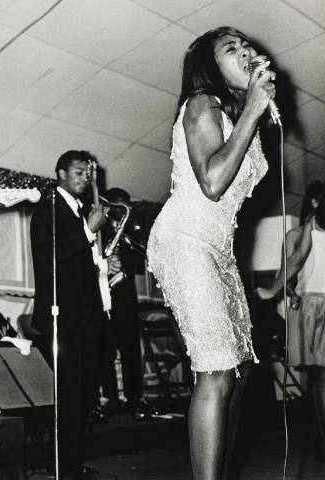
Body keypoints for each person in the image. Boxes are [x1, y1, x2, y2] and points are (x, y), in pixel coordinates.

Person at [146, 26, 276, 479]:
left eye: (246, 45)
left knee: (242, 374)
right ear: (209, 66)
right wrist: (254, 111)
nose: (245, 52)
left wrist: (255, 111)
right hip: (185, 239)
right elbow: (213, 182)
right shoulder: (202, 104)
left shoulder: (241, 114)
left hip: (218, 247)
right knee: (217, 370)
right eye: (231, 48)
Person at [30, 150, 108, 479]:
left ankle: (71, 465)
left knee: (82, 398)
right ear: (61, 173)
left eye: (88, 173)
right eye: (79, 172)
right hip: (62, 317)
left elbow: (75, 264)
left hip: (84, 319)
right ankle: (60, 466)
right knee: (67, 398)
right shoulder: (48, 207)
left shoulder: (77, 211)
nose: (85, 178)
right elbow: (50, 254)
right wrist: (89, 231)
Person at [256, 180, 325, 461]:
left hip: (317, 304)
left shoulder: (314, 222)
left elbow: (296, 259)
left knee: (321, 379)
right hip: (313, 302)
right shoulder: (307, 224)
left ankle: (323, 444)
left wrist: (272, 289)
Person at [99, 188, 143, 415]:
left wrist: (124, 251)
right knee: (106, 350)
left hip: (126, 297)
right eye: (120, 205)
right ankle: (111, 398)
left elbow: (138, 264)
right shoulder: (99, 231)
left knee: (131, 350)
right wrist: (107, 261)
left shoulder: (130, 232)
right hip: (105, 298)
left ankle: (134, 398)